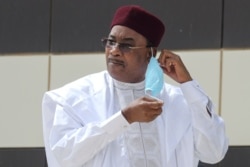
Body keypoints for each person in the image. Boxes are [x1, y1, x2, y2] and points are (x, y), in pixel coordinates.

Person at [42, 5, 228, 167]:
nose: (114, 51)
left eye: (126, 46)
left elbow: (213, 152)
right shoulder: (74, 98)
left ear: (150, 53)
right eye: (111, 42)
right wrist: (124, 118)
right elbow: (64, 156)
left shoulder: (180, 102)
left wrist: (188, 85)